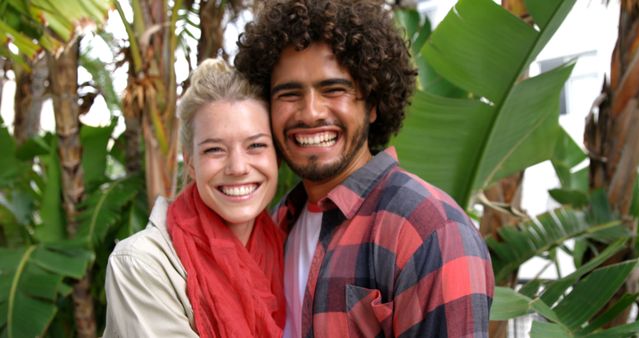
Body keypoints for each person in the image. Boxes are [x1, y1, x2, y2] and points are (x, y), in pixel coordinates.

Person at [234, 0, 494, 337]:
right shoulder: (277, 222)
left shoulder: (429, 230)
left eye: (334, 90)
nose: (310, 113)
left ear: (373, 104)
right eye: (289, 94)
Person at [102, 59, 285, 337]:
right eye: (214, 150)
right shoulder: (142, 264)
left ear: (277, 155)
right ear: (190, 163)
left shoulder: (291, 247)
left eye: (256, 145)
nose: (237, 167)